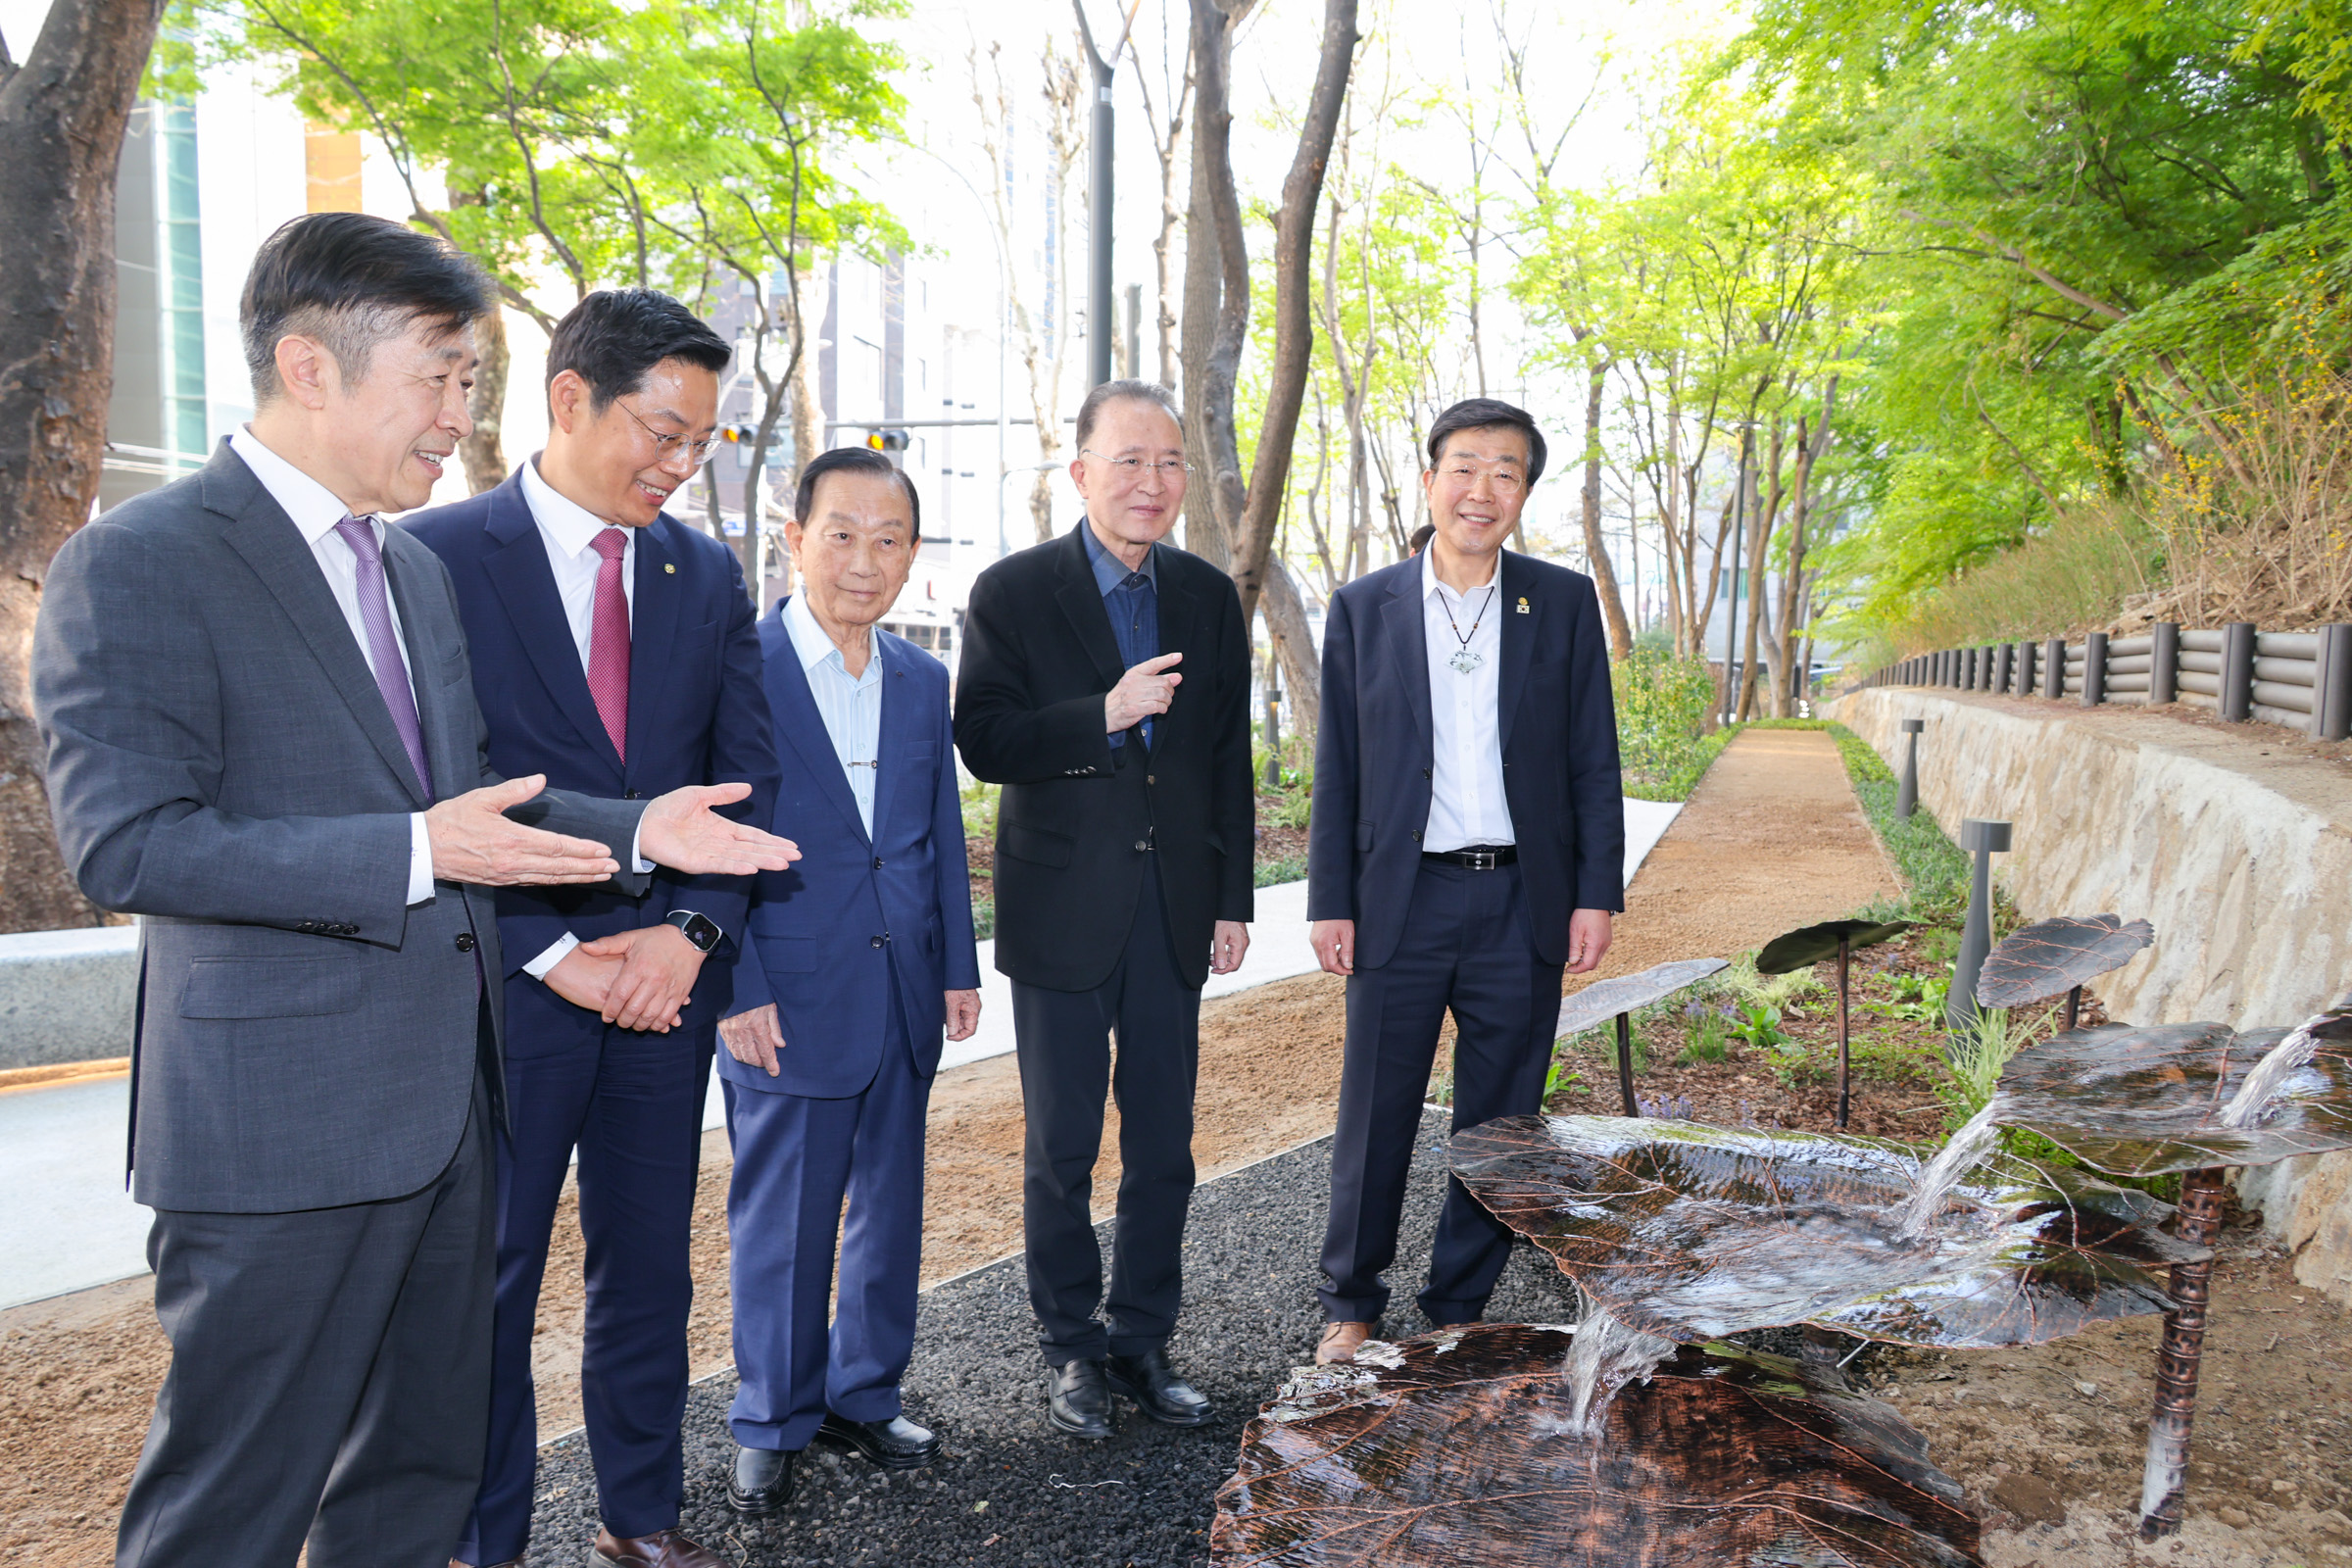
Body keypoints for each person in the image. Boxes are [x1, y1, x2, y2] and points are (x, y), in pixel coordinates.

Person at [28, 213, 800, 1568]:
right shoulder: (142, 559)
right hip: (278, 1136)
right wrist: (417, 854)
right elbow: (131, 844)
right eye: (440, 378)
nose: (460, 416)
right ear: (311, 365)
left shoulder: (411, 571)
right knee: (236, 1500)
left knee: (416, 1482)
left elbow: (477, 798)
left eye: (469, 382)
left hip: (452, 1117)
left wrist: (639, 826)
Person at [405, 288, 780, 1568]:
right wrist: (559, 953)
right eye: (661, 432)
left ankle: (640, 1519)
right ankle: (481, 1539)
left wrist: (688, 938)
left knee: (649, 1276)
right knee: (489, 1288)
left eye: (701, 445)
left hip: (660, 1001)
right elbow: (427, 791)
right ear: (571, 401)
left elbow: (745, 783)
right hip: (509, 997)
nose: (680, 465)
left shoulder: (703, 572)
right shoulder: (435, 559)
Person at [953, 379, 1254, 1440]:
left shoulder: (1209, 597)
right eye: (1129, 460)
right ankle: (1070, 1348)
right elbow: (984, 737)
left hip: (1173, 907)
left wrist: (1230, 895)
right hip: (1061, 909)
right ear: (1079, 471)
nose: (1152, 481)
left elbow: (1226, 757)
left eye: (1169, 461)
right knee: (1063, 1146)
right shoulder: (1013, 590)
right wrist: (1104, 713)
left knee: (1164, 1142)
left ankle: (1142, 1337)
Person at [1305, 396, 1624, 1366]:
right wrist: (1330, 897)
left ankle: (1459, 1304)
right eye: (1466, 466)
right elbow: (1340, 764)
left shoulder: (1560, 602)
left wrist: (1595, 890)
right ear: (1432, 475)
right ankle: (1351, 1302)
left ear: (1524, 492)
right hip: (1402, 899)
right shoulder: (1368, 606)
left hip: (1520, 901)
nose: (1482, 489)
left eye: (1507, 472)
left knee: (1500, 1121)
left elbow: (1591, 758)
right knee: (1376, 1112)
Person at [713, 447, 981, 1516]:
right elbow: (714, 836)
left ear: (912, 554)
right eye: (842, 534)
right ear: (794, 537)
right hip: (786, 989)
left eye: (889, 540)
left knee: (890, 1212)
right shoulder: (739, 667)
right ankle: (772, 1416)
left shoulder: (922, 678)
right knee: (784, 1221)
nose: (865, 561)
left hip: (904, 988)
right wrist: (736, 984)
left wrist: (958, 964)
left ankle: (864, 1391)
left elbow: (937, 835)